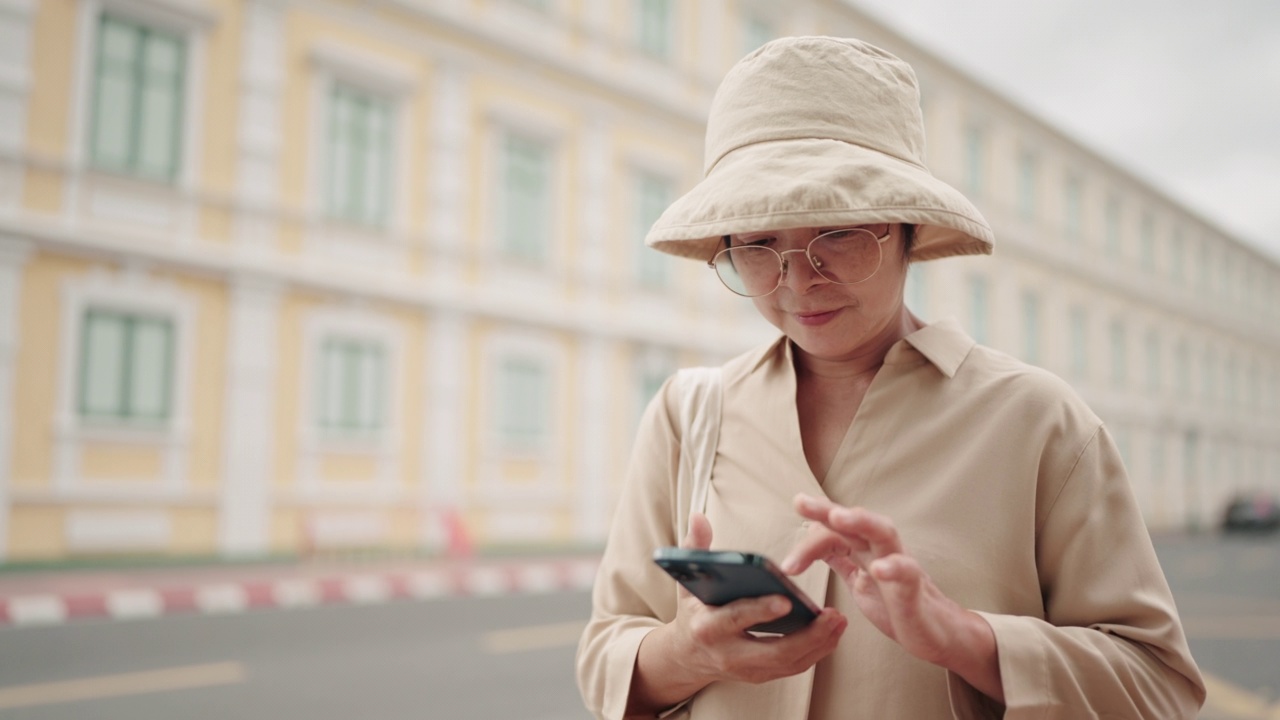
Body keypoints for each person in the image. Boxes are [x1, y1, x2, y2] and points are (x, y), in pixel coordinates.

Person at [576, 36, 1205, 719]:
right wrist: (689, 653)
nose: (796, 281)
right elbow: (607, 650)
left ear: (908, 229)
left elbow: (1159, 685)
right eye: (757, 242)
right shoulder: (688, 414)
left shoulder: (1037, 420)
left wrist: (966, 639)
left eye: (837, 231)